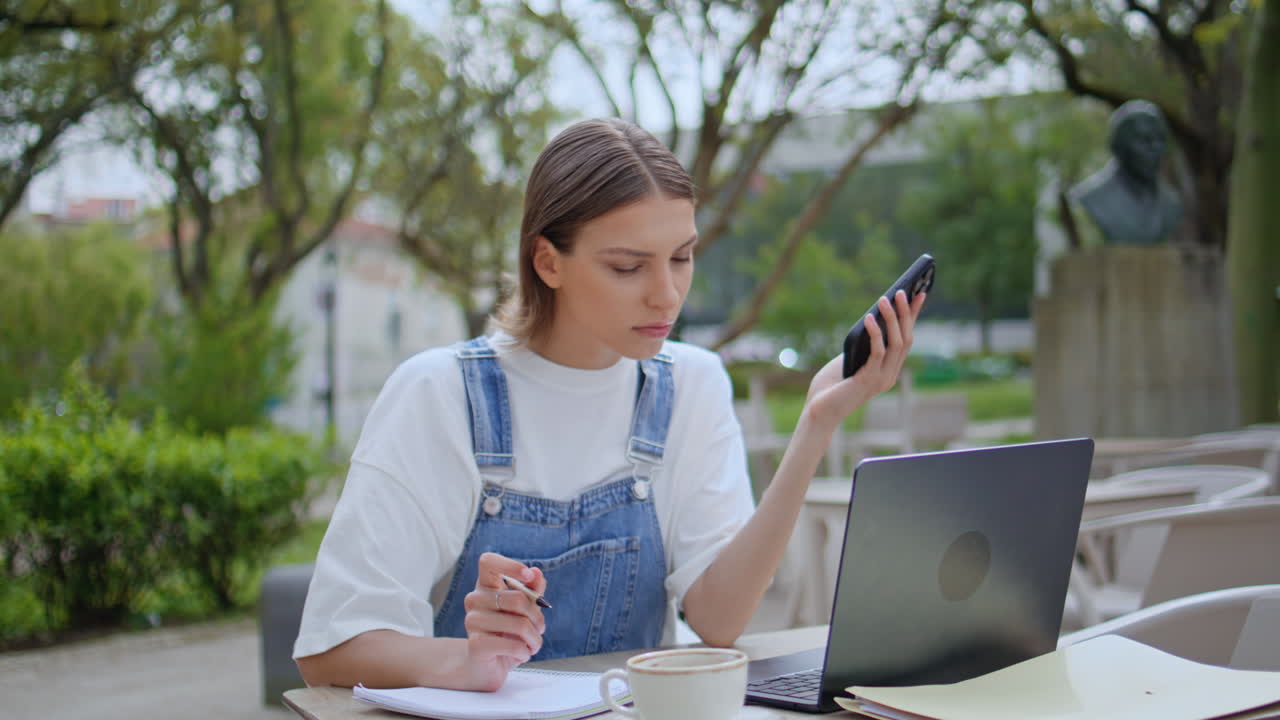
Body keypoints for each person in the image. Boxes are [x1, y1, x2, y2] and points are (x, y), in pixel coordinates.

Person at [293, 118, 924, 692]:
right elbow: (333, 649)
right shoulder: (438, 394)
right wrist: (465, 660)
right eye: (628, 267)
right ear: (548, 261)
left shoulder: (694, 384)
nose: (667, 295)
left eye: (683, 257)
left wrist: (816, 426)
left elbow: (719, 620)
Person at [1067, 99, 1184, 248]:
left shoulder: (1172, 204)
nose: (1155, 149)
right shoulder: (1091, 198)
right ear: (1118, 147)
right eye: (1144, 141)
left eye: (1160, 139)